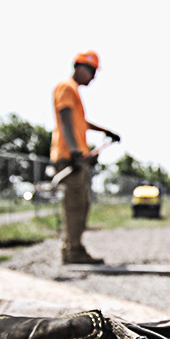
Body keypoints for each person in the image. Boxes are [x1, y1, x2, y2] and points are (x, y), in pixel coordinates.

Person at [51, 51, 120, 265]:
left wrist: (105, 131)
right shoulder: (66, 87)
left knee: (82, 204)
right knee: (75, 205)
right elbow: (65, 118)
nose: (93, 77)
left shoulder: (73, 91)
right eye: (92, 71)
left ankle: (73, 247)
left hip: (75, 156)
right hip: (69, 157)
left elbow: (80, 121)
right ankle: (73, 251)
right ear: (80, 67)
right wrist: (73, 151)